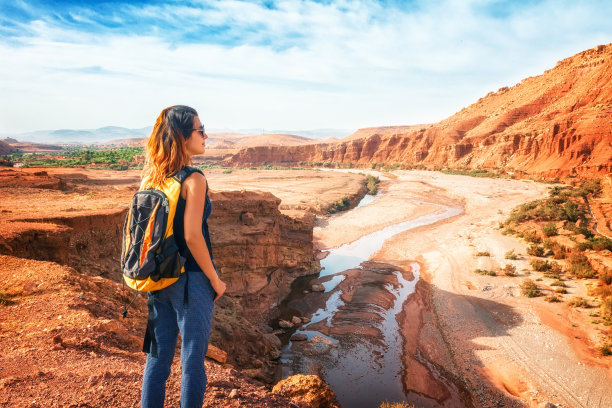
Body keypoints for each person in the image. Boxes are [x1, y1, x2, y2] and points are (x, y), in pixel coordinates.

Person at [140, 105, 227, 408]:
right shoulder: (194, 179)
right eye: (200, 130)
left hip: (158, 279)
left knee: (156, 360)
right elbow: (192, 235)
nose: (206, 135)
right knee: (192, 364)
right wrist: (214, 279)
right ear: (182, 136)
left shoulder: (154, 177)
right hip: (190, 282)